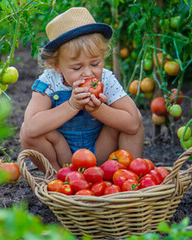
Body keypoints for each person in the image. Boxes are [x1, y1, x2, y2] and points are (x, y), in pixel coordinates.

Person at [20, 7, 143, 173]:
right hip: (64, 156)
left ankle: (129, 176)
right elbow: (31, 127)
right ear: (56, 66)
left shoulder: (105, 79)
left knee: (133, 116)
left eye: (95, 64)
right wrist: (71, 105)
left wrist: (100, 110)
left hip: (102, 151)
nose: (88, 73)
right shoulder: (48, 82)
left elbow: (134, 123)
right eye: (77, 67)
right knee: (27, 133)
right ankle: (57, 179)